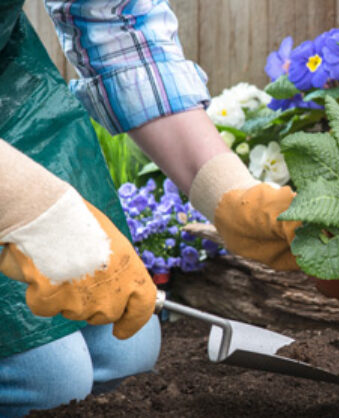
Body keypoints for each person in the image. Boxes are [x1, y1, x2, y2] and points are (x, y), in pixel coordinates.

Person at [0, 1, 300, 416]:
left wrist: (227, 192)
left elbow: (118, 26)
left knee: (127, 349)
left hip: (9, 91)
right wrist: (25, 208)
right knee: (47, 379)